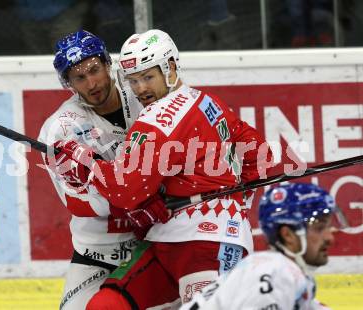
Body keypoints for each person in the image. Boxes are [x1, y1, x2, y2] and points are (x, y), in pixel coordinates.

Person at [47, 29, 274, 308]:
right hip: (151, 242)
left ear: (170, 67)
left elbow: (127, 189)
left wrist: (87, 163)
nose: (141, 88)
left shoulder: (154, 117)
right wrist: (238, 204)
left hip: (203, 243)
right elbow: (260, 154)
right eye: (134, 80)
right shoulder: (205, 100)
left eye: (147, 77)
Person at [38, 30, 145, 309]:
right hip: (97, 252)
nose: (92, 83)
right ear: (69, 83)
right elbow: (80, 204)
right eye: (79, 77)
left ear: (108, 63)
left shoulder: (142, 94)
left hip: (153, 241)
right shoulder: (61, 129)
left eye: (94, 70)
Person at [180, 183, 348, 310]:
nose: (330, 238)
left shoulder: (285, 272)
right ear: (288, 235)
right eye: (319, 229)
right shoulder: (275, 274)